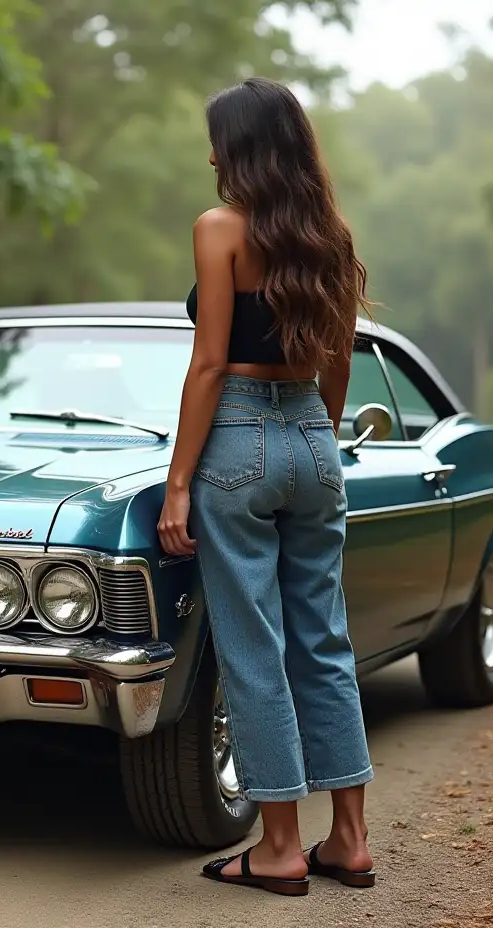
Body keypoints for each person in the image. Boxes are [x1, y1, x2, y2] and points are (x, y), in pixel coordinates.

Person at [156, 76, 376, 897]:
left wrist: (180, 485)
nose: (211, 154)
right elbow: (338, 363)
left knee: (254, 651)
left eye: (218, 139)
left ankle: (280, 847)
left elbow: (210, 361)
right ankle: (348, 839)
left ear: (242, 148)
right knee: (324, 642)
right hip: (315, 438)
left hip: (239, 435)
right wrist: (313, 435)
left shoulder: (220, 229)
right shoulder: (331, 235)